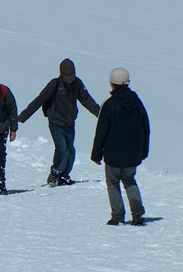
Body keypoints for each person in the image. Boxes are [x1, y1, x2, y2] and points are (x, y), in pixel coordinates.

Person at [18, 58, 100, 186]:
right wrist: (23, 117)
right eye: (67, 78)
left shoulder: (77, 84)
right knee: (62, 149)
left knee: (71, 151)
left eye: (71, 77)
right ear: (61, 74)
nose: (70, 80)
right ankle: (54, 174)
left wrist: (101, 115)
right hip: (56, 122)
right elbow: (39, 100)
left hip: (70, 123)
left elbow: (87, 100)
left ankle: (64, 175)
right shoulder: (55, 84)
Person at [91, 68, 150, 226]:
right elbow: (145, 128)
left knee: (112, 183)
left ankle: (117, 216)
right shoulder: (137, 103)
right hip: (132, 154)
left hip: (113, 154)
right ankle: (137, 213)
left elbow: (101, 131)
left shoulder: (109, 105)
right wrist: (143, 151)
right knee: (129, 180)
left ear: (111, 83)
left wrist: (96, 155)